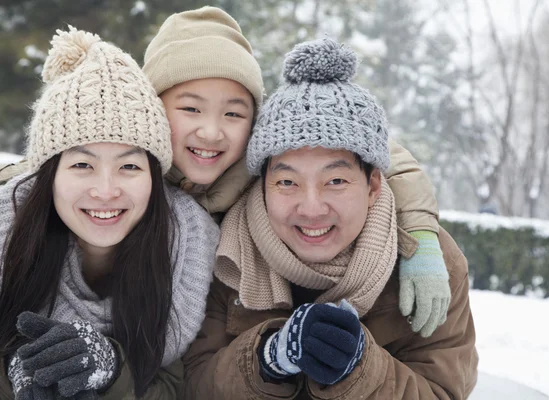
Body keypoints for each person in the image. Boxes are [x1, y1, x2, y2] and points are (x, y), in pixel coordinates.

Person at [182, 38, 478, 399]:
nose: (311, 208)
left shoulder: (431, 264)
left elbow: (443, 391)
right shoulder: (224, 250)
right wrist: (268, 358)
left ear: (371, 186)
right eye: (287, 182)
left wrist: (359, 367)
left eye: (335, 181)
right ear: (261, 186)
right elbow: (193, 383)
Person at [142, 6, 450, 337]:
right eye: (190, 108)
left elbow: (387, 158)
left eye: (233, 114)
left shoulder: (259, 163)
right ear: (151, 107)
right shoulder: (125, 177)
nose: (212, 132)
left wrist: (421, 238)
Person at [0, 27, 219, 399]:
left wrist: (111, 367)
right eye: (83, 165)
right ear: (49, 175)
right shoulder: (8, 230)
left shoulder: (188, 247)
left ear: (155, 177)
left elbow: (174, 384)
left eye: (129, 167)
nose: (105, 191)